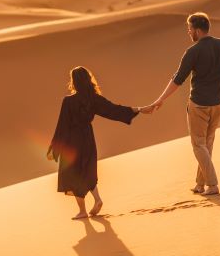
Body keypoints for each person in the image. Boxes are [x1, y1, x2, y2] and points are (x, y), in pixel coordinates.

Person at [146, 12, 220, 196]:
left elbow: (178, 79)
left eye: (189, 29)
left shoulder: (193, 51)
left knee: (199, 145)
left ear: (197, 30)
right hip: (217, 104)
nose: (188, 32)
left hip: (199, 105)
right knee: (207, 144)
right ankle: (200, 184)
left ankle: (212, 184)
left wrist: (160, 100)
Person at [48, 66, 149, 219]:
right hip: (88, 138)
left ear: (74, 82)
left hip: (72, 142)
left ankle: (82, 211)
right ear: (88, 80)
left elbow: (62, 126)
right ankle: (97, 199)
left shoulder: (68, 102)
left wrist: (54, 149)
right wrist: (139, 109)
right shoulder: (93, 99)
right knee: (87, 170)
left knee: (73, 174)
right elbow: (113, 110)